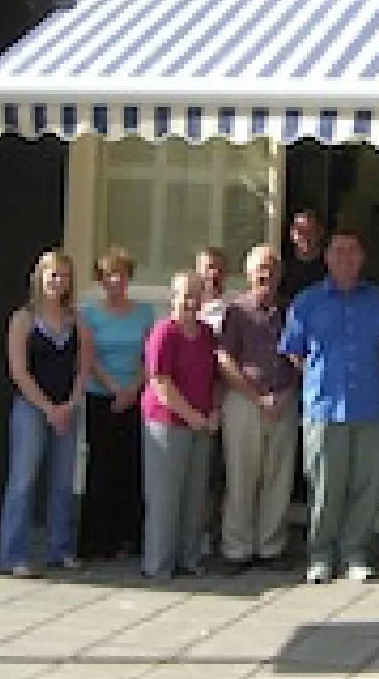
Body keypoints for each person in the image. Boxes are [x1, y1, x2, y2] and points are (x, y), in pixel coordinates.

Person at [279, 230, 379, 584]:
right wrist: (320, 379)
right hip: (325, 408)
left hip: (372, 405)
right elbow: (294, 351)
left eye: (352, 251)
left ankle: (355, 553)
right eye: (338, 251)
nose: (345, 258)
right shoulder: (307, 301)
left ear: (362, 258)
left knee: (366, 486)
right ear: (326, 258)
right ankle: (321, 555)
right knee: (325, 487)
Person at [0, 250, 91, 577]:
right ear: (39, 277)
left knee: (63, 482)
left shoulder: (77, 320)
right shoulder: (23, 319)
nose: (58, 281)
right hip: (32, 408)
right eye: (53, 275)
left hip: (67, 407)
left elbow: (84, 367)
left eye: (64, 276)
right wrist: (48, 408)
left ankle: (60, 549)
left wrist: (69, 404)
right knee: (23, 481)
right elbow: (18, 371)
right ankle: (14, 555)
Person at [217, 245, 299, 569]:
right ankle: (236, 548)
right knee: (241, 475)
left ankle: (271, 546)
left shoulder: (290, 311)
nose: (266, 274)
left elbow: (300, 356)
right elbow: (224, 359)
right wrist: (256, 396)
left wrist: (285, 393)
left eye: (272, 268)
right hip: (244, 402)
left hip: (283, 401)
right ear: (249, 273)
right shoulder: (235, 311)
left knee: (278, 476)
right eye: (260, 268)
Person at [77, 247, 156, 561]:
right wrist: (113, 388)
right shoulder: (88, 313)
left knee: (131, 466)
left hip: (135, 397)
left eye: (121, 274)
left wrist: (132, 389)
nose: (115, 281)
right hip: (101, 397)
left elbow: (150, 357)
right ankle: (98, 541)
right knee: (101, 467)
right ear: (101, 279)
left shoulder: (145, 313)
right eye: (109, 275)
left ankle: (129, 538)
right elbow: (87, 356)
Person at [140, 270, 220, 580]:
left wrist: (213, 411)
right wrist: (192, 416)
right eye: (185, 295)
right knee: (165, 497)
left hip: (201, 424)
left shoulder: (207, 333)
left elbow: (214, 377)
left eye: (196, 295)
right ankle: (158, 565)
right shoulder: (164, 332)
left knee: (194, 496)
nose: (191, 302)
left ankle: (190, 559)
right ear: (173, 297)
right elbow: (160, 382)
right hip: (167, 423)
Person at [195, 247, 228, 557]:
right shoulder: (185, 309)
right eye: (207, 268)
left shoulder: (231, 310)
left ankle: (210, 531)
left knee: (215, 472)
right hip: (188, 400)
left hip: (221, 399)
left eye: (217, 268)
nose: (212, 274)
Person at [279, 210, 327, 304]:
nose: (305, 236)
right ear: (292, 235)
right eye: (300, 231)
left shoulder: (330, 264)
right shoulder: (281, 264)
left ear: (320, 233)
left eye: (310, 231)